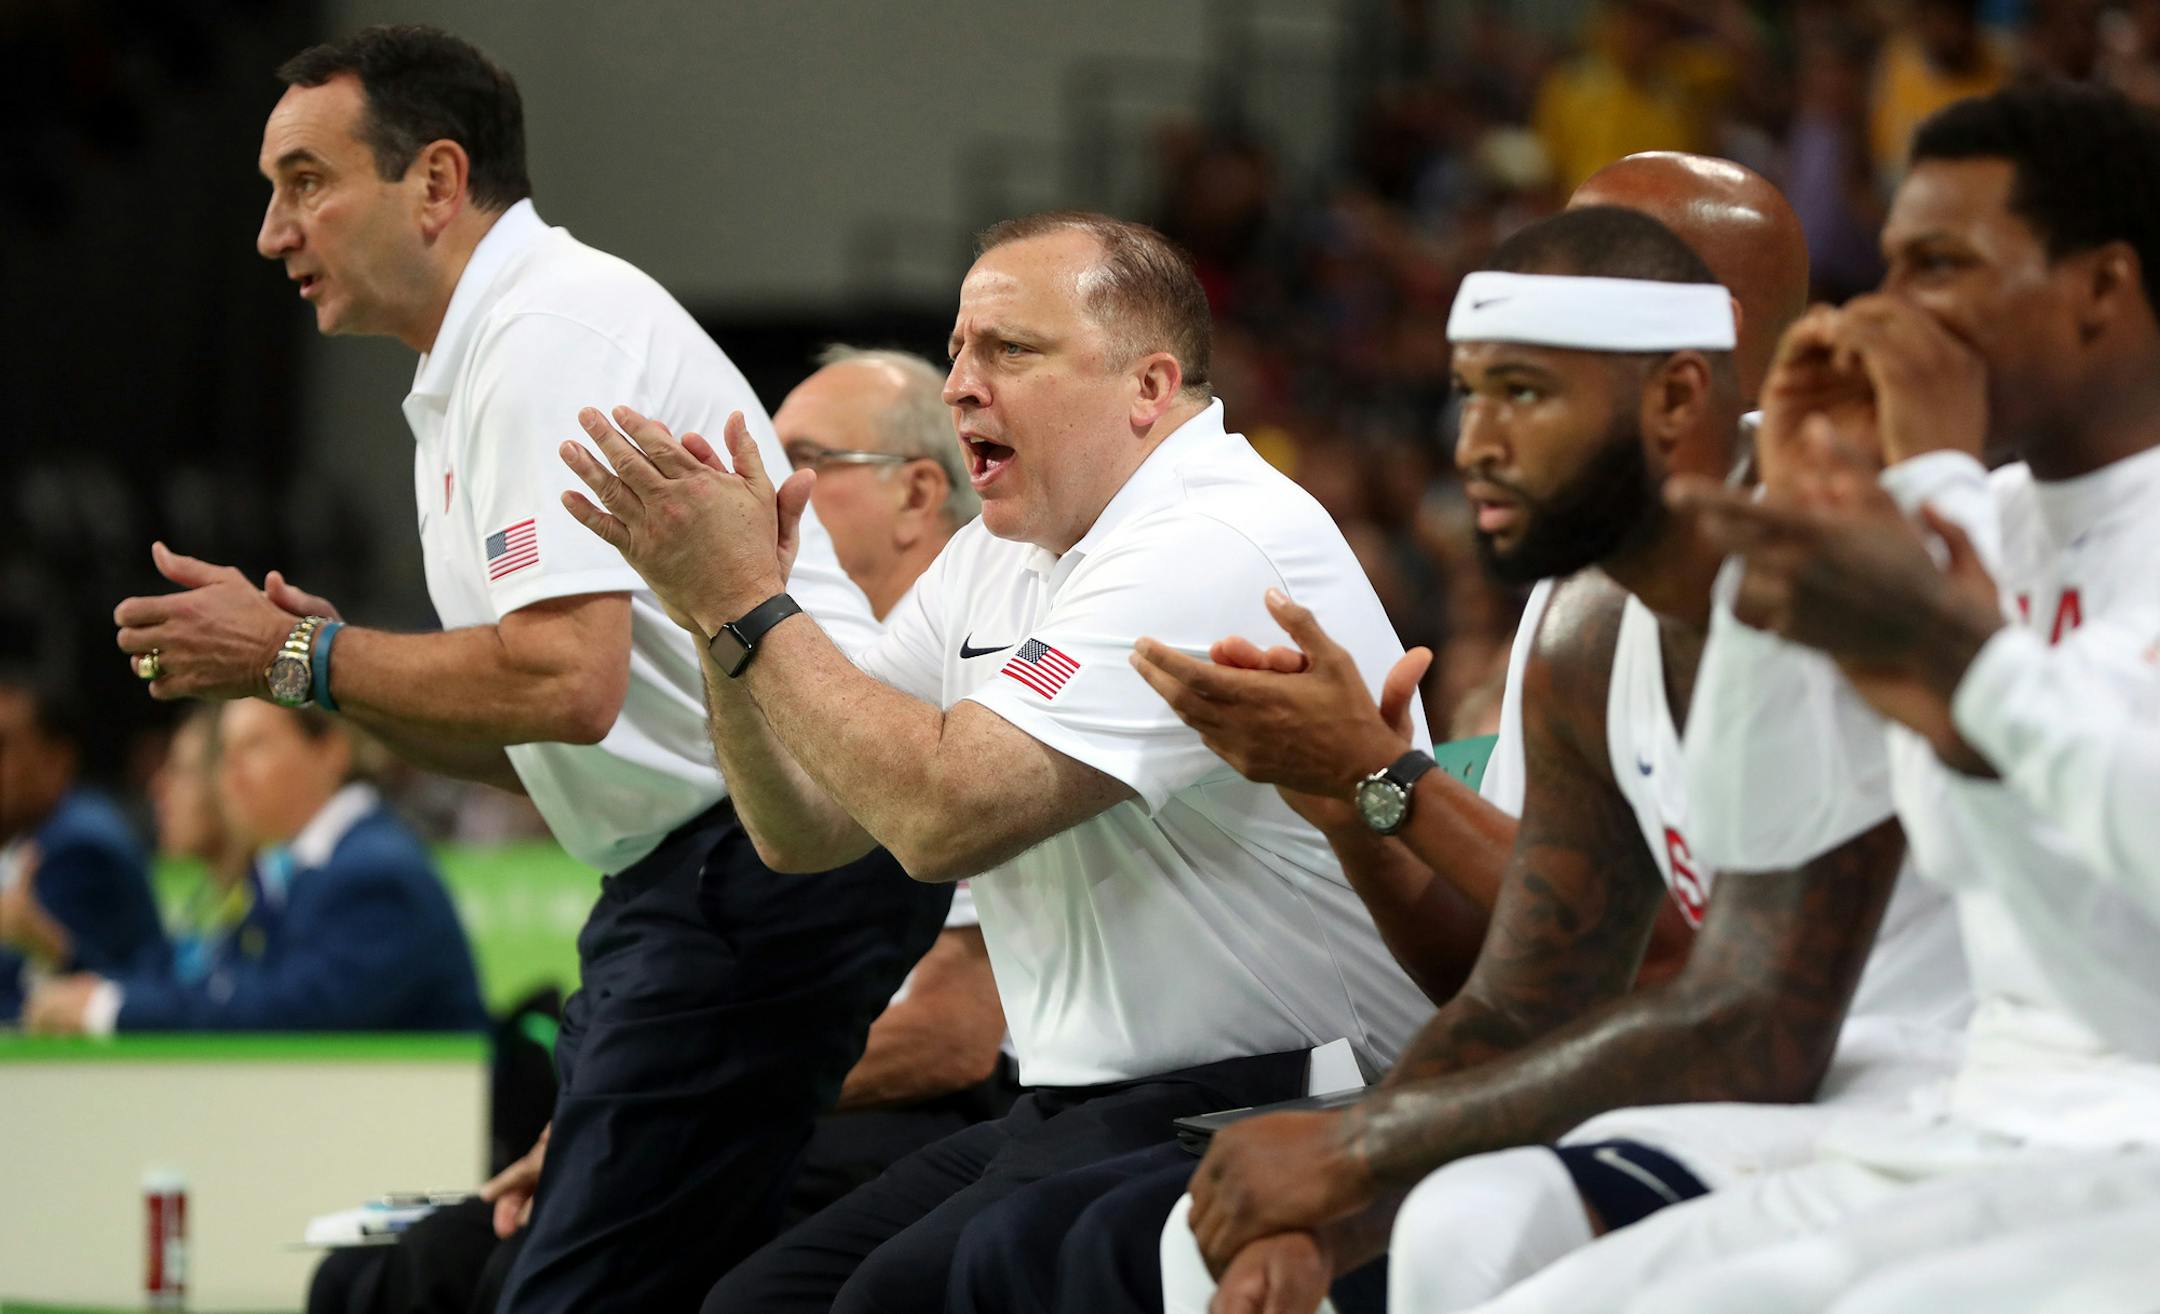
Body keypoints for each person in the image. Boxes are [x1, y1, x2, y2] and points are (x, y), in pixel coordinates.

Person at [109, 27, 942, 1311]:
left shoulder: (543, 331)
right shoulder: (488, 356)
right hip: (706, 874)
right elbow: (551, 732)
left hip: (758, 872)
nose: (274, 232)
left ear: (436, 184)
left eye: (307, 182)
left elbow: (565, 684)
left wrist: (301, 652)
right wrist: (318, 673)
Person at [932, 153, 1838, 1314]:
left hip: (1815, 1108)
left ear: (1687, 370)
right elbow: (1501, 978)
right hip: (1643, 1089)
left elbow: (1675, 973)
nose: (1473, 447)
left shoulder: (1823, 589)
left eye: (1530, 384)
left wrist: (1387, 777)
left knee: (1436, 1242)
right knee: (1091, 1251)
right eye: (1477, 389)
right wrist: (1349, 806)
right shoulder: (1572, 612)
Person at [558, 210, 1434, 1314]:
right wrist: (711, 617)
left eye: (1010, 351)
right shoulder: (997, 552)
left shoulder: (1208, 540)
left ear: (1148, 387)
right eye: (961, 348)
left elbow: (941, 818)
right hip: (1082, 1102)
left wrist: (746, 601)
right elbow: (805, 828)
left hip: (1285, 1097)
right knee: (758, 1303)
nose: (962, 384)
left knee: (902, 1298)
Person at [1472, 81, 2160, 1313]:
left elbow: (2128, 868)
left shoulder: (2005, 516)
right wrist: (1788, 529)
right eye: (1890, 265)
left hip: (2121, 1118)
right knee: (1510, 1269)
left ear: (2103, 288)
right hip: (1981, 1106)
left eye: (1942, 265)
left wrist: (1938, 498)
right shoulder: (1992, 521)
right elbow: (1755, 831)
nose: (1893, 315)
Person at [305, 342, 1005, 1314]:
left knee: (529, 1275)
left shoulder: (977, 655)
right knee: (412, 1267)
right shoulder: (851, 663)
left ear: (918, 491)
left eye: (797, 452)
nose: (757, 476)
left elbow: (953, 1036)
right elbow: (784, 838)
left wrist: (649, 1109)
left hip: (900, 1108)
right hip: (749, 1078)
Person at [25, 700, 486, 1033]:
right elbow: (209, 985)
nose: (232, 773)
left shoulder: (374, 873)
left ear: (331, 750)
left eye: (255, 746)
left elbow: (291, 1013)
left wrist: (108, 1008)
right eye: (225, 754)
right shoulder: (295, 866)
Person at [0, 674, 167, 1019]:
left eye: (2, 746)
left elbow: (27, 991)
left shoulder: (80, 850)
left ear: (56, 760)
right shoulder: (37, 834)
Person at [777, 346, 981, 620]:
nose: (772, 483)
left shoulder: (988, 651)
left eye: (803, 458)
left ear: (915, 496)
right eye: (771, 457)